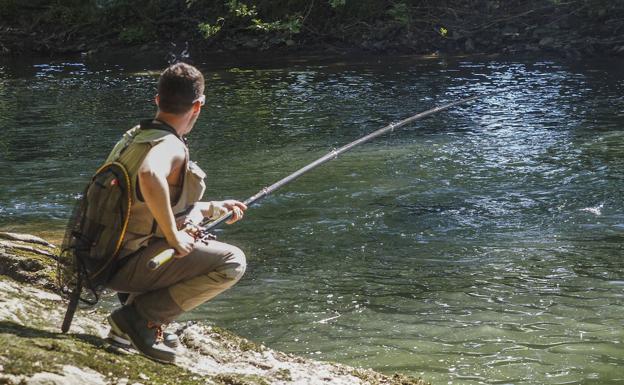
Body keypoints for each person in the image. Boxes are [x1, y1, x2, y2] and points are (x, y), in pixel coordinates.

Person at [104, 62, 247, 363]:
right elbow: (149, 175)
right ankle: (139, 316)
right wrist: (174, 236)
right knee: (232, 262)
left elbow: (145, 206)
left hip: (99, 255)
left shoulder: (135, 136)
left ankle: (141, 314)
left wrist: (212, 209)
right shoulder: (170, 145)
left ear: (158, 100)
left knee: (191, 236)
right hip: (124, 266)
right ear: (198, 105)